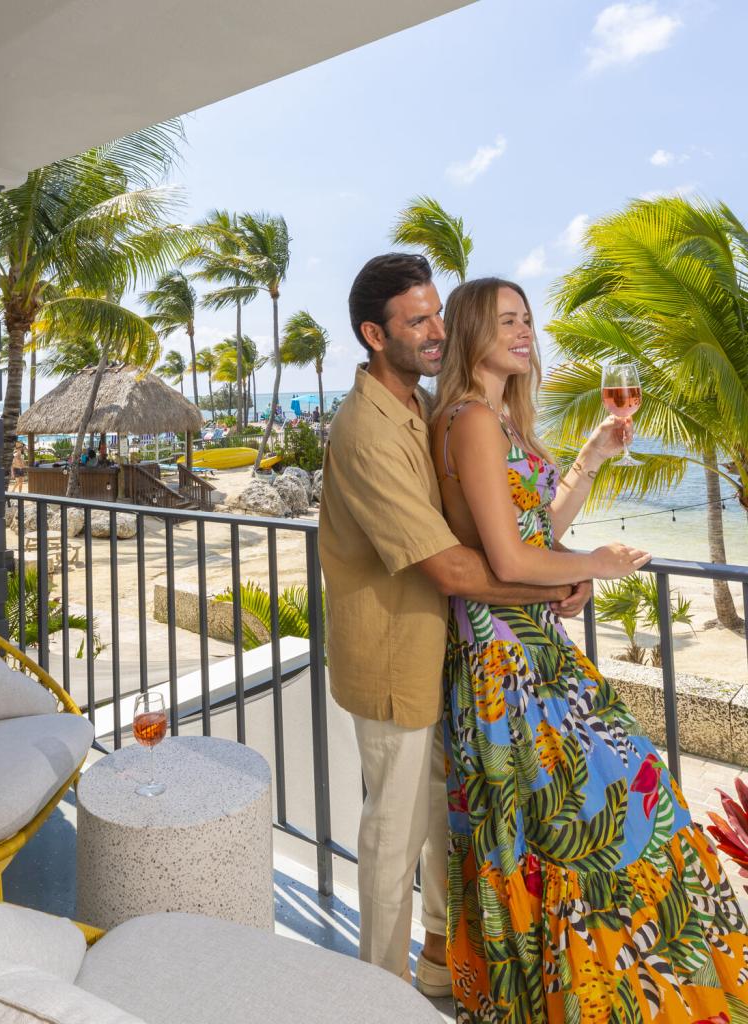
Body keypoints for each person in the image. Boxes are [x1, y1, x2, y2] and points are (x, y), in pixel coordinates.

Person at [432, 276, 748, 1023]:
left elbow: (535, 525)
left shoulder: (497, 420)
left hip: (534, 643)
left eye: (527, 320)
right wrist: (594, 565)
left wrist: (596, 455)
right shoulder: (472, 420)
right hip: (507, 663)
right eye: (507, 320)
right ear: (472, 330)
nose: (524, 332)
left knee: (576, 828)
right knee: (621, 811)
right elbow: (510, 560)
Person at [319, 254, 591, 995]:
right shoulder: (367, 431)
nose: (438, 331)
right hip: (391, 654)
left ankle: (440, 961)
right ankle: (373, 992)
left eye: (438, 313)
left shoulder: (418, 403)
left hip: (444, 649)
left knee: (447, 814)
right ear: (375, 334)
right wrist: (572, 575)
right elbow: (453, 567)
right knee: (394, 830)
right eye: (418, 321)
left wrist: (563, 559)